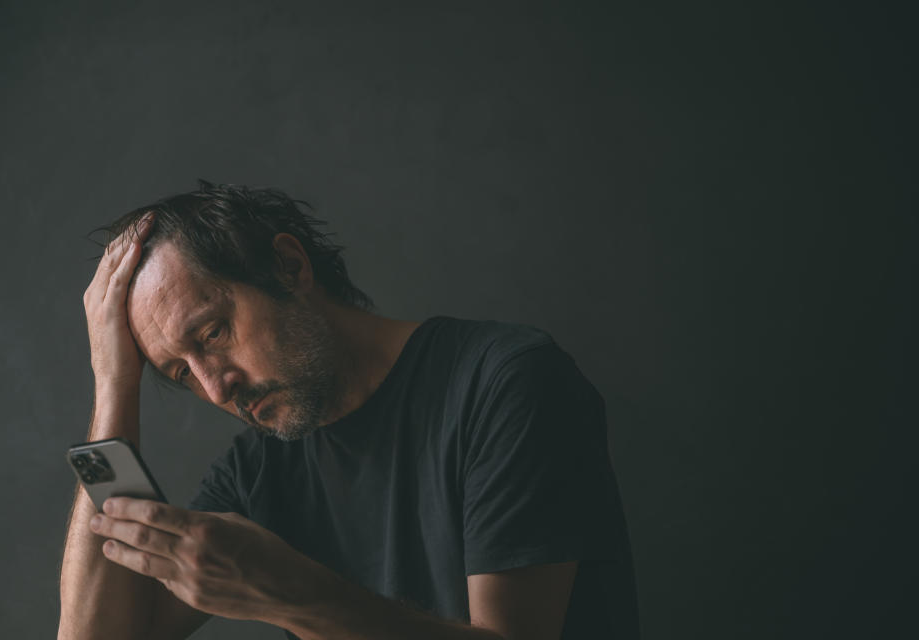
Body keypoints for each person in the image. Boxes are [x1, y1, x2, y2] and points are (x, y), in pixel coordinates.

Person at [57, 180, 641, 640]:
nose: (215, 389)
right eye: (182, 373)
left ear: (288, 267)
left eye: (212, 333)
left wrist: (290, 593)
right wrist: (113, 386)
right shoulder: (259, 468)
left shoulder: (506, 382)